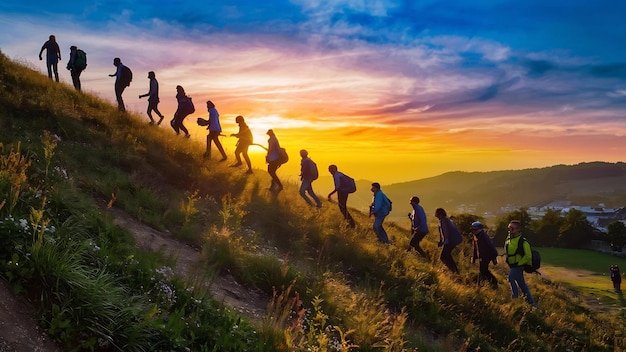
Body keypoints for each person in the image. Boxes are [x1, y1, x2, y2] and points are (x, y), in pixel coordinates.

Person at [504, 220, 537, 306]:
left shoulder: (523, 241)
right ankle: (532, 303)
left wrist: (519, 264)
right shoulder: (508, 239)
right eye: (509, 228)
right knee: (522, 284)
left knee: (510, 278)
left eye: (512, 228)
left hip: (518, 266)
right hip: (512, 265)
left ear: (518, 229)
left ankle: (514, 300)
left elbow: (528, 255)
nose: (510, 230)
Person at [471, 221, 499, 288]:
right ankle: (487, 283)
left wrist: (494, 258)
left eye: (475, 229)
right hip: (482, 256)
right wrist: (474, 258)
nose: (473, 231)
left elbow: (491, 247)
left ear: (480, 229)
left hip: (486, 256)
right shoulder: (476, 236)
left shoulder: (483, 237)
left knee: (483, 270)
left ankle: (494, 283)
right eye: (473, 229)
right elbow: (475, 248)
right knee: (483, 270)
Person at [435, 208, 461, 274]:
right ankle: (455, 271)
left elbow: (446, 232)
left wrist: (444, 241)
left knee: (443, 256)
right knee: (447, 256)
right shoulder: (445, 219)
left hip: (449, 241)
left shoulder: (443, 220)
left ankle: (453, 271)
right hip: (451, 241)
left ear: (439, 214)